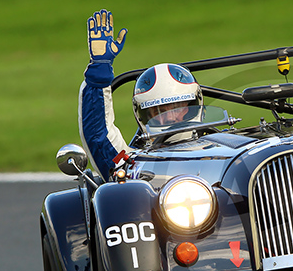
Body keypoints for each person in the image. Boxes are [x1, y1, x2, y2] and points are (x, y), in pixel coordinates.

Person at [78, 9, 203, 179]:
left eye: (176, 107)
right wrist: (99, 73)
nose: (169, 117)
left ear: (193, 105)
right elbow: (98, 137)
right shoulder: (132, 165)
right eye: (158, 111)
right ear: (143, 115)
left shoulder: (223, 148)